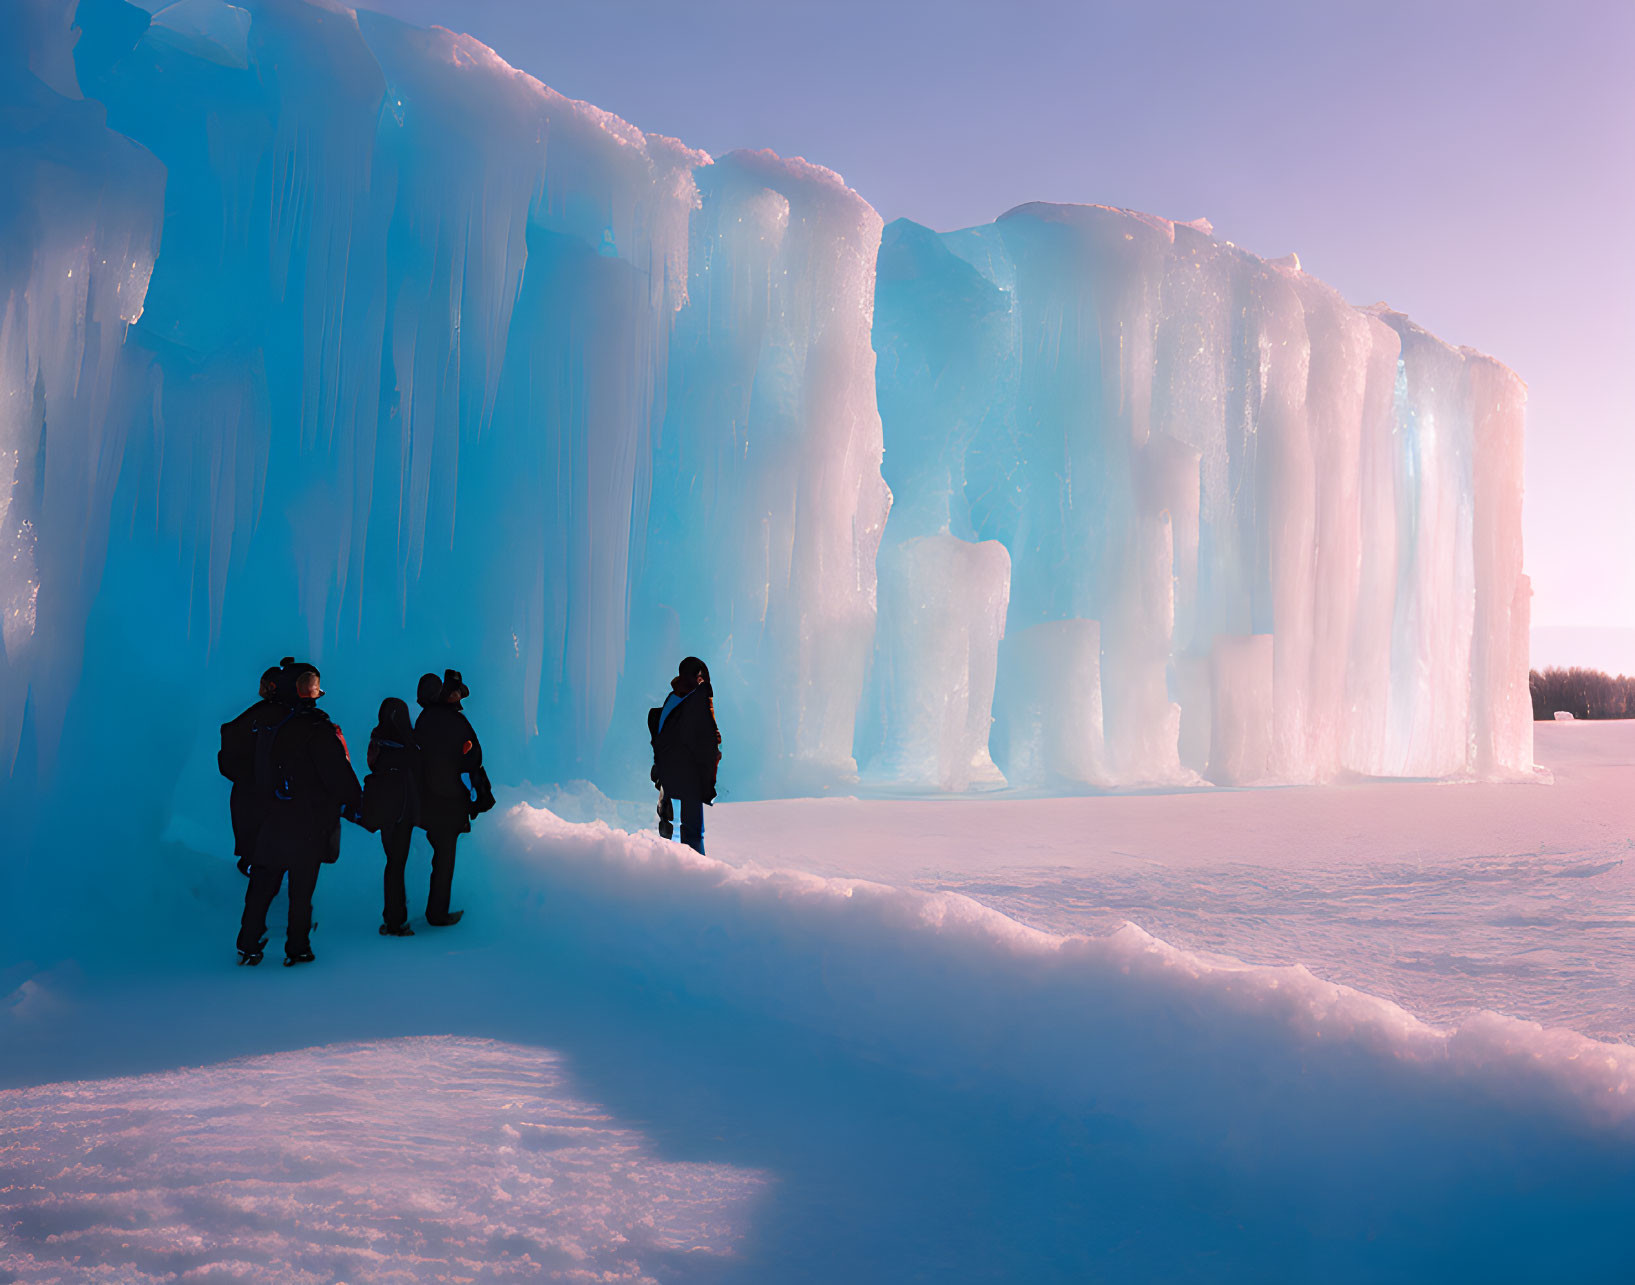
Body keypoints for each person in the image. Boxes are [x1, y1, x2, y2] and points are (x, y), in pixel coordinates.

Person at [235, 660, 362, 967]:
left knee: (263, 883)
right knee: (301, 891)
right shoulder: (318, 729)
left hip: (273, 818)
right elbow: (338, 775)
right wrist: (357, 804)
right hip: (308, 822)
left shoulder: (270, 725)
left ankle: (248, 943)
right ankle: (297, 947)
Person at [413, 669, 493, 927]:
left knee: (439, 854)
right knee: (445, 860)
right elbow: (474, 757)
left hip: (429, 800)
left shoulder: (424, 720)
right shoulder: (456, 722)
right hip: (450, 801)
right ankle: (437, 913)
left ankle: (429, 909)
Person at [649, 656, 720, 855]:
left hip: (671, 774)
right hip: (688, 776)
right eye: (700, 676)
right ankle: (693, 874)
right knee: (692, 831)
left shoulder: (674, 699)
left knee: (677, 827)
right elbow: (702, 740)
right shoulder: (694, 699)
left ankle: (679, 869)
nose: (702, 681)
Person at [363, 697, 422, 937]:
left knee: (392, 864)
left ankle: (392, 917)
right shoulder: (408, 744)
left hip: (384, 811)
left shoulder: (377, 741)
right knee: (398, 864)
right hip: (403, 813)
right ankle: (396, 920)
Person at [218, 665, 284, 876]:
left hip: (250, 789)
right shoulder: (285, 716)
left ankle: (253, 866)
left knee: (254, 834)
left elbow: (229, 734)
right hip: (263, 790)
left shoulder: (260, 715)